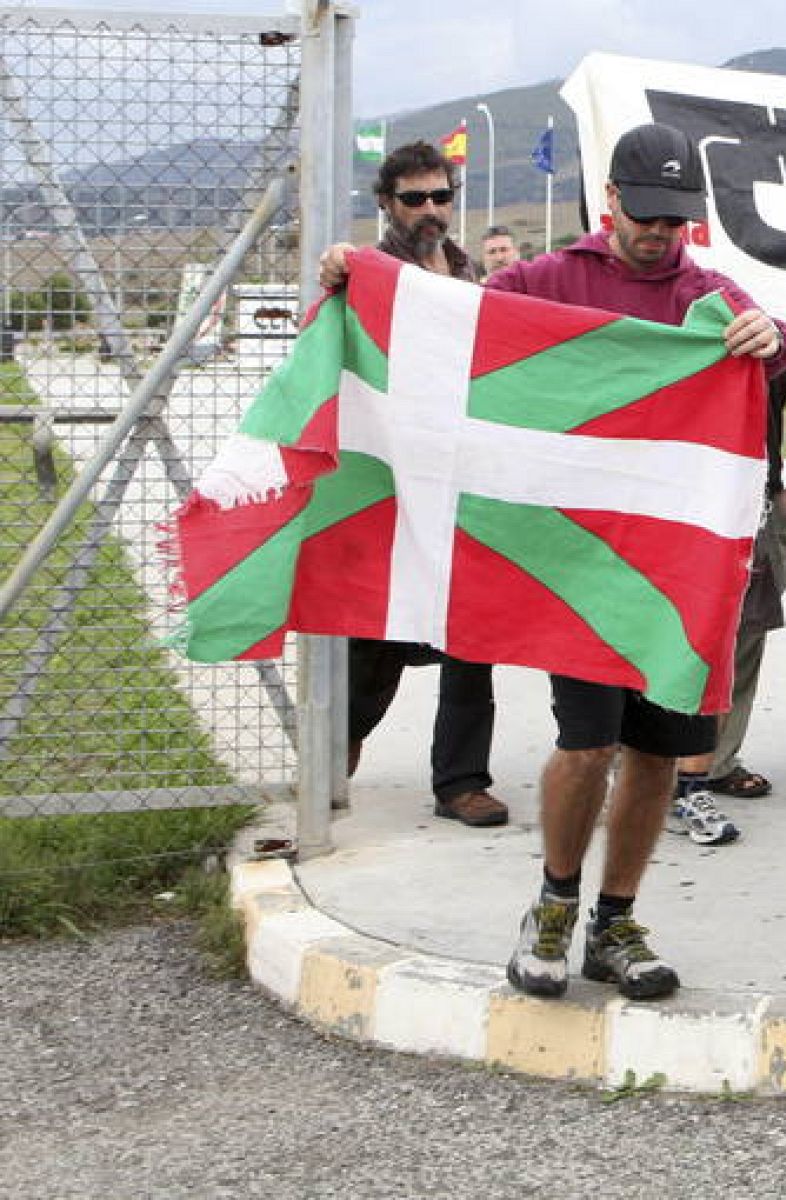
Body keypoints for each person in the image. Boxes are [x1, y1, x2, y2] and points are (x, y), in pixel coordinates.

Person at [327, 123, 786, 1000]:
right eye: (647, 216)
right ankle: (553, 903)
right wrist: (360, 279)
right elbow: (451, 326)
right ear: (610, 202)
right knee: (587, 744)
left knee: (657, 756)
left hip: (679, 574)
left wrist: (771, 337)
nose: (661, 234)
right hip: (582, 571)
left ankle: (615, 920)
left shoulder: (710, 294)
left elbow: (779, 355)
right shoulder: (552, 279)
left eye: (677, 220)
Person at [344, 140, 505, 829]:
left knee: (474, 635)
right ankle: (331, 756)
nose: (431, 210)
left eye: (441, 196)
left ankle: (461, 782)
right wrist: (338, 270)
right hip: (390, 483)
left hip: (463, 480)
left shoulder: (476, 280)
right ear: (387, 203)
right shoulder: (370, 273)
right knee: (374, 642)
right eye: (415, 198)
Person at [671, 347, 786, 844]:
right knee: (675, 634)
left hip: (760, 498)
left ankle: (716, 759)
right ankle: (655, 761)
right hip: (685, 496)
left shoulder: (780, 322)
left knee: (746, 635)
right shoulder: (687, 301)